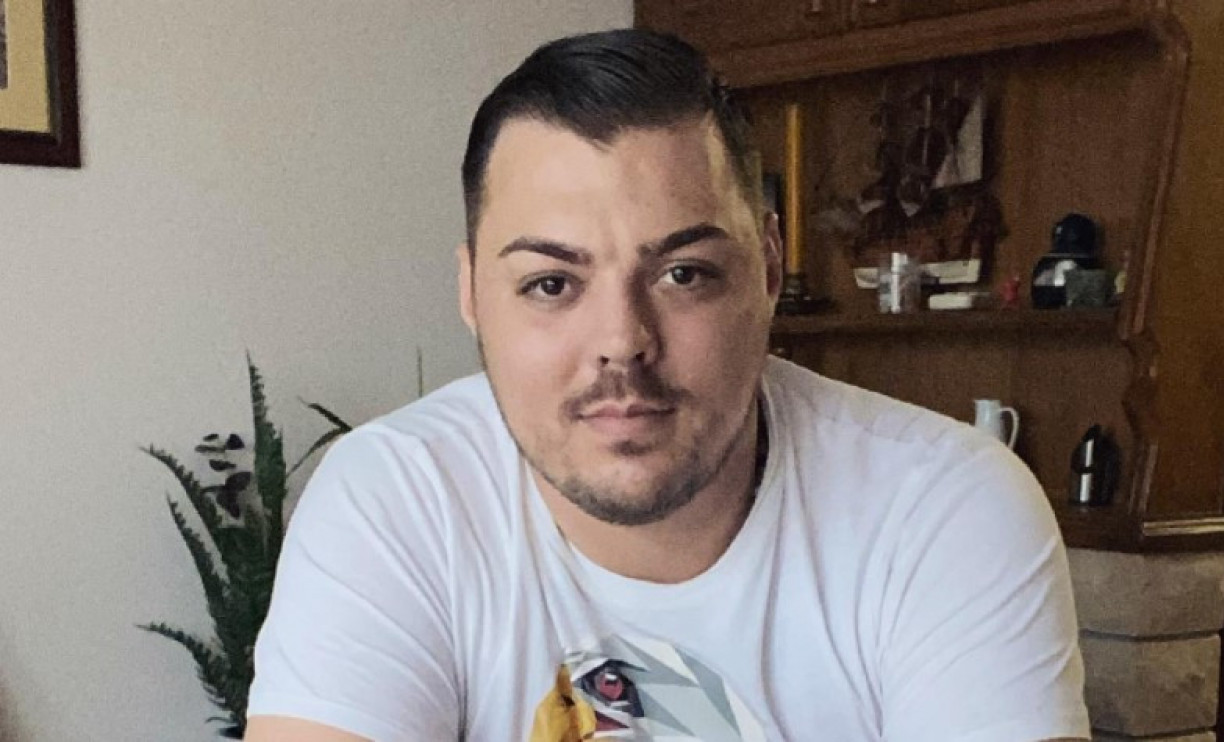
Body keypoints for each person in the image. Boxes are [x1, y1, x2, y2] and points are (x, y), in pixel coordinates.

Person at [245, 29, 1089, 742]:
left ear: (769, 267)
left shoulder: (942, 508)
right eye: (550, 284)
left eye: (684, 274)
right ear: (471, 294)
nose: (622, 343)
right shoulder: (395, 500)